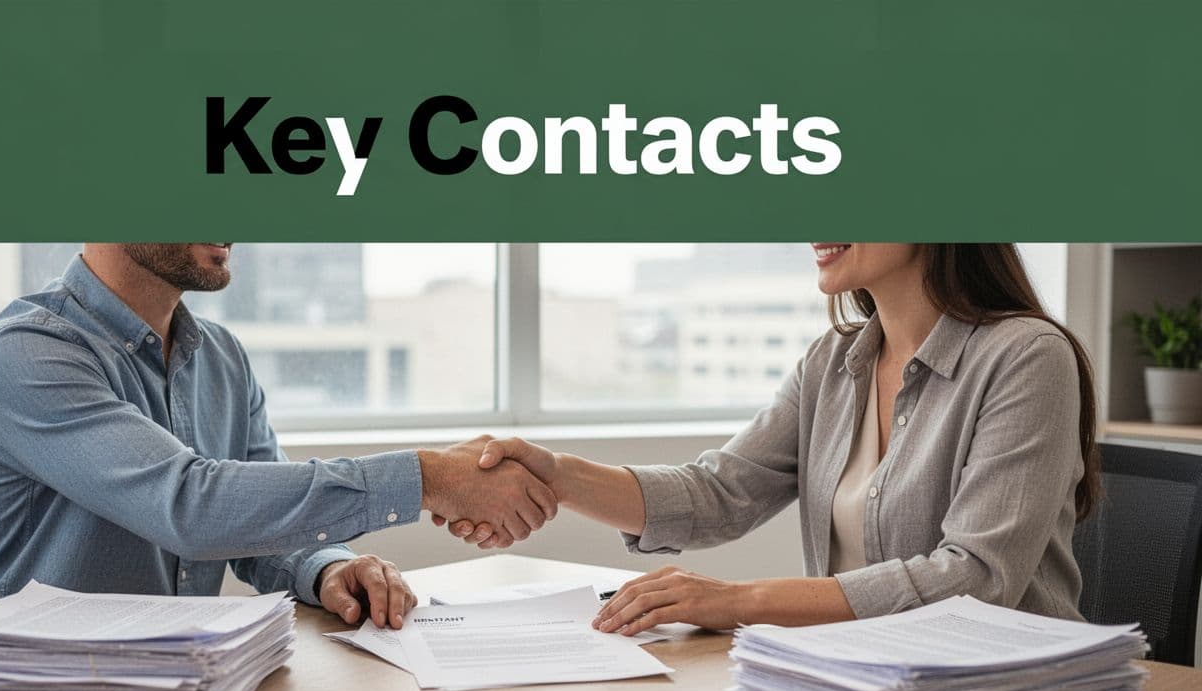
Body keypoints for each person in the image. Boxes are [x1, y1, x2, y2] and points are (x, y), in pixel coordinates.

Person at [442, 244, 1098, 636]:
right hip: (867, 685)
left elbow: (975, 579)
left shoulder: (1026, 357)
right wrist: (554, 472)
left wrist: (739, 601)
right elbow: (721, 492)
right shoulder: (834, 363)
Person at [0, 243, 556, 629]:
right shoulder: (27, 353)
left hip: (170, 685)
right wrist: (428, 477)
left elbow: (253, 526)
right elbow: (189, 506)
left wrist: (323, 568)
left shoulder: (220, 356)